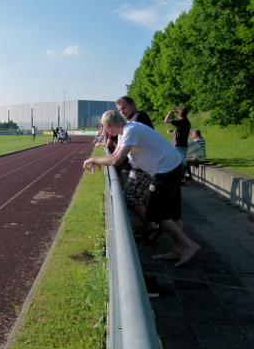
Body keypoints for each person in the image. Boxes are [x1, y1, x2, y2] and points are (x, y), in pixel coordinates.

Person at [83, 110, 200, 267]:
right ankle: (178, 249)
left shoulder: (131, 130)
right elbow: (114, 156)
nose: (104, 131)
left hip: (168, 169)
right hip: (171, 166)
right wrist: (100, 161)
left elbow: (117, 160)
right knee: (171, 212)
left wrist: (93, 159)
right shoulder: (125, 130)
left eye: (104, 127)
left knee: (155, 213)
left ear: (109, 126)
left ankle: (189, 245)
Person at [115, 96, 156, 239]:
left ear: (133, 104)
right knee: (138, 198)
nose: (122, 111)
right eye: (119, 110)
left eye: (124, 107)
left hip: (147, 166)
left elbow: (130, 146)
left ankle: (151, 226)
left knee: (131, 197)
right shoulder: (134, 120)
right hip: (144, 164)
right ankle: (148, 227)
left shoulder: (139, 118)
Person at [164, 107, 191, 179]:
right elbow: (179, 131)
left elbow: (166, 121)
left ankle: (180, 179)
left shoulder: (180, 122)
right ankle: (182, 178)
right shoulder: (187, 122)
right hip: (184, 145)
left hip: (178, 145)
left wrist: (170, 112)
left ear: (179, 114)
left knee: (177, 162)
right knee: (181, 161)